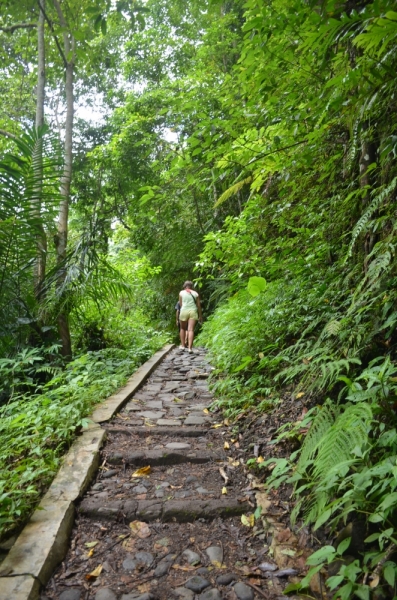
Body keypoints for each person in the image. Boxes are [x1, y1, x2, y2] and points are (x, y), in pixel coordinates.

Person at [178, 280, 203, 353]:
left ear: (184, 286)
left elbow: (180, 303)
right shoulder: (195, 293)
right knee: (190, 330)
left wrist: (183, 309)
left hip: (184, 311)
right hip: (193, 311)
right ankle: (190, 348)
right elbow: (198, 305)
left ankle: (183, 346)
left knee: (182, 328)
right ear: (191, 286)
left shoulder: (181, 293)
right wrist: (200, 315)